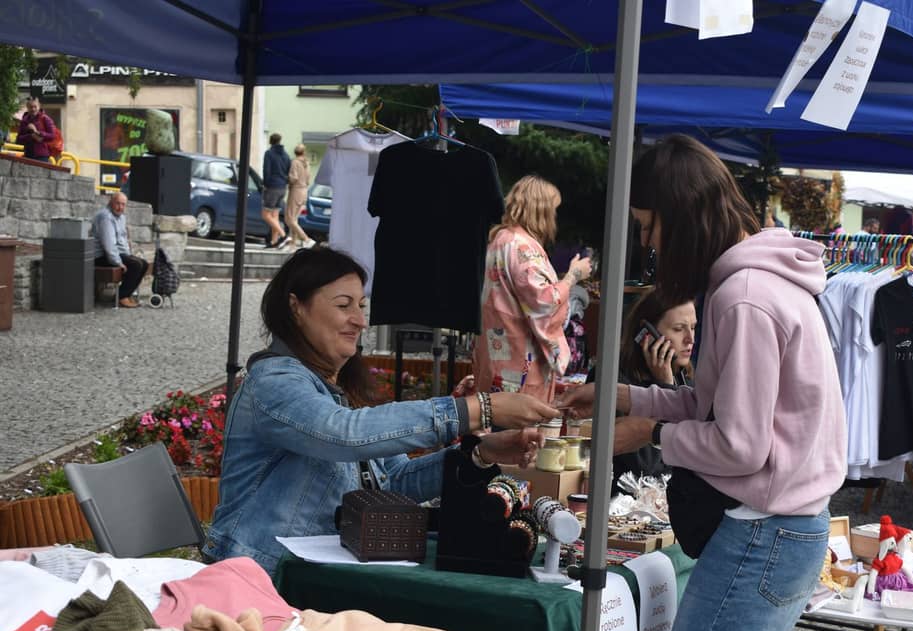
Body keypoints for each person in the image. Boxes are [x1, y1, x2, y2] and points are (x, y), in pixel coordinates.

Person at [560, 134, 845, 631]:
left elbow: (740, 446)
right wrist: (625, 395)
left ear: (682, 214)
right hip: (785, 528)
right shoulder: (755, 283)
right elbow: (715, 406)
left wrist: (651, 434)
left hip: (765, 532)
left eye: (648, 225)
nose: (647, 241)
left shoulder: (744, 297)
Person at [204, 246, 560, 573]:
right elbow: (343, 434)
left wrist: (479, 453)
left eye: (361, 306)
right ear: (296, 307)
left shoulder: (340, 389)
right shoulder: (274, 381)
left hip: (314, 577)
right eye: (344, 305)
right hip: (258, 577)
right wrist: (479, 408)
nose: (360, 320)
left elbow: (395, 482)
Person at [473, 175, 593, 403]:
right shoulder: (522, 247)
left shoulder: (500, 239)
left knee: (494, 416)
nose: (555, 218)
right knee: (518, 421)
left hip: (496, 355)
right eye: (553, 211)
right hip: (518, 365)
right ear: (542, 211)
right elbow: (544, 302)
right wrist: (573, 276)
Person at [586, 290, 697, 485]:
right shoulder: (614, 379)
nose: (690, 339)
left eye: (693, 327)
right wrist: (665, 388)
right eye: (679, 329)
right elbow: (646, 467)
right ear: (647, 334)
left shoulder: (685, 380)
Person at [92, 192, 148, 308]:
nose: (120, 207)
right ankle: (122, 297)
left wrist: (129, 256)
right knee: (135, 265)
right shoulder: (106, 217)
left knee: (144, 264)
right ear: (111, 202)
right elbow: (108, 245)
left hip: (115, 253)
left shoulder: (121, 217)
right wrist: (118, 262)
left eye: (123, 204)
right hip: (101, 256)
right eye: (117, 203)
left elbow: (122, 241)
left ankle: (125, 294)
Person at [261, 132, 290, 249]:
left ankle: (284, 236)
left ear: (270, 141)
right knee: (275, 215)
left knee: (265, 214)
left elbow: (266, 170)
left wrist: (266, 184)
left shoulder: (269, 153)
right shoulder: (286, 155)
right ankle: (274, 241)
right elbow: (288, 170)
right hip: (282, 187)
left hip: (272, 186)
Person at [283, 143, 314, 251]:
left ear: (295, 152)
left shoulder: (295, 162)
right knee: (294, 219)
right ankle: (293, 244)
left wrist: (286, 179)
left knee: (289, 219)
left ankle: (306, 239)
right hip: (304, 190)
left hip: (296, 190)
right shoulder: (306, 163)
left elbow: (293, 178)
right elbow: (308, 179)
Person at [16, 97, 56, 163]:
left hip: (42, 155)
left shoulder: (45, 119)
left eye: (35, 107)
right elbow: (18, 139)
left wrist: (39, 133)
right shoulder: (24, 121)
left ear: (39, 107)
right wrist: (31, 136)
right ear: (27, 107)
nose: (33, 109)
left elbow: (52, 136)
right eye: (31, 107)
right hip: (28, 154)